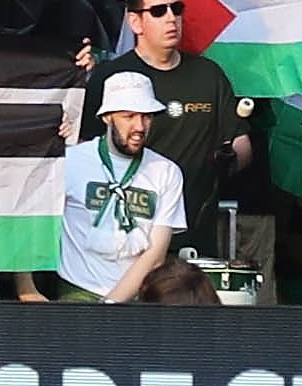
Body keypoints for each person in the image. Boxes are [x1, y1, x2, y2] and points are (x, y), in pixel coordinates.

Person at [56, 72, 205, 301]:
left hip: (137, 299)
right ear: (106, 117)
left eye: (147, 117)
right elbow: (31, 221)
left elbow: (155, 255)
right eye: (129, 116)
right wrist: (27, 290)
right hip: (76, 292)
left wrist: (112, 304)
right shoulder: (71, 161)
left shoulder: (166, 171)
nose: (140, 126)